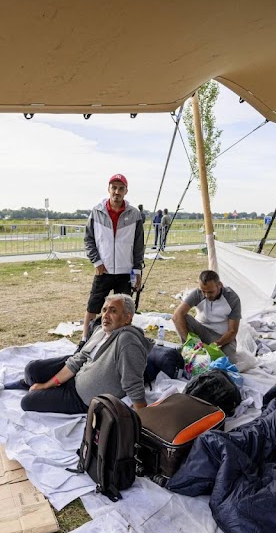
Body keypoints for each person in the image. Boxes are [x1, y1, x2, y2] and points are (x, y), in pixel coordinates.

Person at [16, 294, 151, 413]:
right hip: (76, 376)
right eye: (104, 310)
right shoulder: (102, 330)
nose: (105, 315)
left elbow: (133, 383)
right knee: (32, 369)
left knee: (27, 401)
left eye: (113, 311)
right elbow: (78, 360)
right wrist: (48, 385)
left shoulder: (128, 342)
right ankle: (31, 383)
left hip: (82, 397)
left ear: (127, 318)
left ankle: (30, 384)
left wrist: (144, 419)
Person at [81, 174, 144, 340]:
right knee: (93, 306)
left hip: (125, 271)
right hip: (104, 270)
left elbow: (138, 245)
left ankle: (122, 341)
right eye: (114, 188)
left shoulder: (135, 214)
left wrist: (137, 270)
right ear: (108, 189)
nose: (117, 191)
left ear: (126, 191)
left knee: (125, 310)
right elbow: (89, 239)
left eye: (121, 188)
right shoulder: (97, 212)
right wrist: (97, 261)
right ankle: (84, 340)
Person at [172, 270, 242, 360]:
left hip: (221, 337)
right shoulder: (197, 293)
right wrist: (189, 342)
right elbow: (177, 315)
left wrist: (215, 345)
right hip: (201, 330)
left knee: (228, 361)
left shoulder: (232, 298)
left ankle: (199, 352)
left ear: (219, 285)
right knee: (181, 317)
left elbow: (232, 331)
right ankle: (189, 349)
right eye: (203, 291)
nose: (206, 295)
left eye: (210, 292)